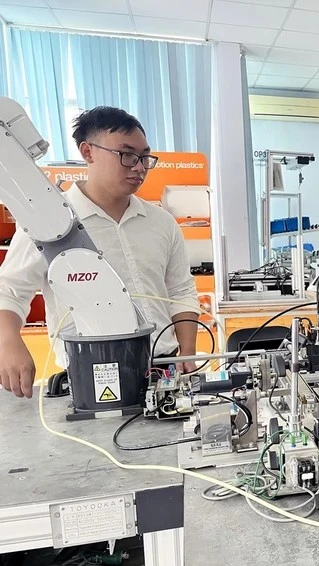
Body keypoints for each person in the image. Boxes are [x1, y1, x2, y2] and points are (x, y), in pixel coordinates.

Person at [0, 106, 200, 399]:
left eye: (145, 157)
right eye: (127, 155)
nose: (139, 166)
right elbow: (10, 291)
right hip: (89, 377)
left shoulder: (161, 223)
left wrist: (188, 352)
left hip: (164, 373)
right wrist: (8, 340)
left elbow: (181, 291)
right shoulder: (51, 222)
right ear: (88, 152)